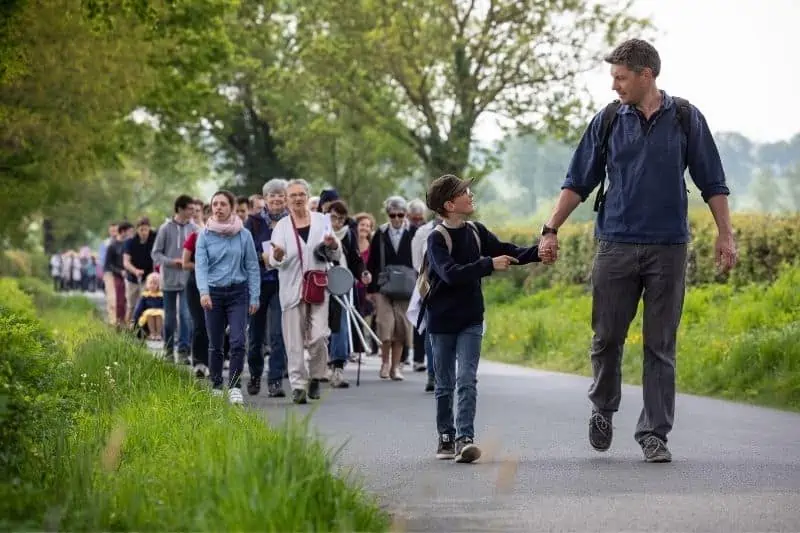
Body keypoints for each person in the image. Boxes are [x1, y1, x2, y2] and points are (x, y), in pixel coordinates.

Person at [537, 39, 736, 463]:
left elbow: (712, 181)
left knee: (660, 345)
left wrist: (726, 234)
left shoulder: (685, 117)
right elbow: (578, 181)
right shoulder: (609, 119)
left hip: (669, 248)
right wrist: (550, 228)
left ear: (647, 75)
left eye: (621, 77)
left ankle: (654, 434)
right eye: (613, 77)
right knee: (606, 337)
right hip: (615, 246)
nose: (615, 86)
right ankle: (603, 408)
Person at [423, 174, 543, 463]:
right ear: (450, 204)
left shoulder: (476, 231)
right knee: (444, 383)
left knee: (467, 379)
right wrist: (488, 264)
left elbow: (508, 250)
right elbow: (450, 273)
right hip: (441, 321)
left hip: (471, 319)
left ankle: (466, 438)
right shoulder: (436, 238)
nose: (471, 194)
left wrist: (539, 252)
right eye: (465, 191)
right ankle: (446, 437)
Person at [269, 179, 341, 405]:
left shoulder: (322, 220)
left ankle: (316, 377)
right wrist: (278, 255)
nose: (298, 199)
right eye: (293, 196)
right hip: (292, 289)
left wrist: (332, 245)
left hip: (318, 287)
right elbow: (273, 259)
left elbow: (336, 253)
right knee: (294, 341)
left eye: (301, 194)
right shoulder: (281, 226)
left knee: (319, 335)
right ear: (287, 200)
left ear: (308, 196)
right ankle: (298, 385)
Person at [195, 190, 261, 405]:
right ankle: (215, 384)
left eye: (223, 204)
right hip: (213, 293)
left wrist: (255, 296)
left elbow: (252, 265)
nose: (218, 208)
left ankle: (234, 386)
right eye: (215, 204)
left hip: (238, 293)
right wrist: (203, 292)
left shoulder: (244, 235)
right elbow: (201, 267)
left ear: (232, 207)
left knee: (238, 341)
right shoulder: (204, 235)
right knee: (215, 343)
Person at [244, 178, 290, 398]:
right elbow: (244, 249)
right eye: (272, 195)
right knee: (255, 334)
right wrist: (261, 256)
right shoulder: (253, 222)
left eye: (281, 194)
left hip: (283, 281)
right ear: (265, 199)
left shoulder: (292, 221)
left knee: (278, 334)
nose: (277, 198)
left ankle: (275, 380)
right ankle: (254, 374)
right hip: (258, 282)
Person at [151, 195, 197, 364]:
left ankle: (184, 350)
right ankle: (169, 350)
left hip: (187, 279)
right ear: (180, 209)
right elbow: (155, 254)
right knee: (170, 316)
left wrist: (189, 264)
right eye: (190, 208)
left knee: (186, 315)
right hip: (169, 279)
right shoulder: (165, 228)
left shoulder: (195, 228)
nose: (193, 212)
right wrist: (172, 262)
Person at [132, 272, 165, 341]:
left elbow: (164, 307)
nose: (152, 285)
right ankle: (152, 333)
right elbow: (138, 308)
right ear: (147, 284)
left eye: (155, 283)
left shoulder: (161, 296)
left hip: (159, 318)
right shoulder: (145, 296)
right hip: (146, 320)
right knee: (149, 313)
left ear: (158, 285)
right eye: (151, 283)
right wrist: (134, 319)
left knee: (159, 314)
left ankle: (158, 334)